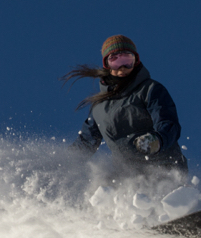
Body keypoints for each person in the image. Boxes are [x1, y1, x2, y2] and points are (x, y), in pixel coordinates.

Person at [62, 35, 187, 176]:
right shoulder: (99, 106)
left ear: (136, 61)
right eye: (115, 61)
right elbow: (85, 142)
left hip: (163, 167)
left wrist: (157, 139)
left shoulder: (150, 89)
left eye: (127, 60)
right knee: (100, 191)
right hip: (128, 175)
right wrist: (63, 163)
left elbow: (169, 124)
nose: (122, 67)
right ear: (107, 65)